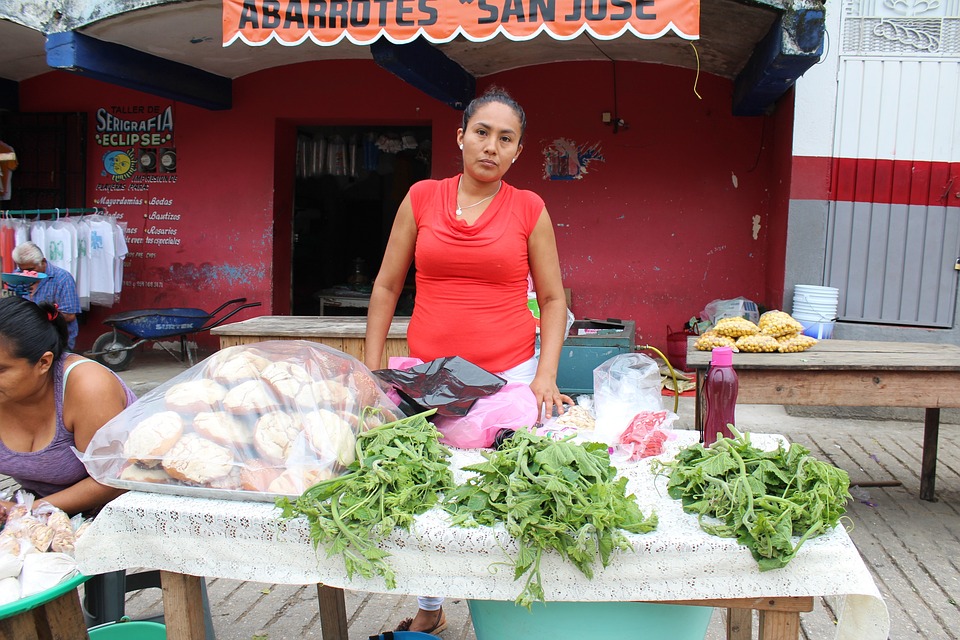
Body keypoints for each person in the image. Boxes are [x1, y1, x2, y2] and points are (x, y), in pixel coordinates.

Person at [365, 87, 573, 634]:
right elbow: (387, 287)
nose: (491, 146)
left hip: (508, 377)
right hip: (431, 381)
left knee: (492, 493)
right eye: (482, 132)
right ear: (460, 137)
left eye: (506, 139)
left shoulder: (530, 209)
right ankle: (431, 607)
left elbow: (553, 300)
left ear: (518, 151)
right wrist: (369, 371)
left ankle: (503, 610)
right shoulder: (422, 198)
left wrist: (546, 377)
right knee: (425, 489)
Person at [0, 296, 136, 516]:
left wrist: (26, 511)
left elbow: (112, 480)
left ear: (43, 363)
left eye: (1, 370)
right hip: (38, 512)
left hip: (114, 514)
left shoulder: (88, 386)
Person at [11, 241, 81, 351]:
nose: (25, 273)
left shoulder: (62, 279)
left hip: (57, 341)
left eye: (30, 269)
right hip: (27, 339)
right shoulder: (18, 275)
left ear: (43, 262)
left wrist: (42, 314)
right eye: (21, 269)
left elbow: (69, 315)